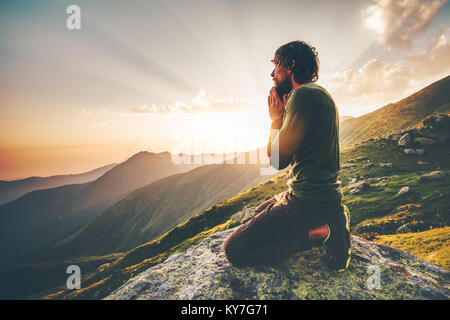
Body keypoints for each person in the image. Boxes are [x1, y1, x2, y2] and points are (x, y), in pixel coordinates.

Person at [223, 41, 351, 271]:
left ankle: (319, 233)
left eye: (277, 66)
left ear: (291, 66)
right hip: (323, 195)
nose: (272, 73)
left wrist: (275, 119)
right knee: (261, 209)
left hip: (308, 200)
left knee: (235, 249)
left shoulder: (302, 96)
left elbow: (277, 161)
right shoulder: (316, 94)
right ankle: (331, 217)